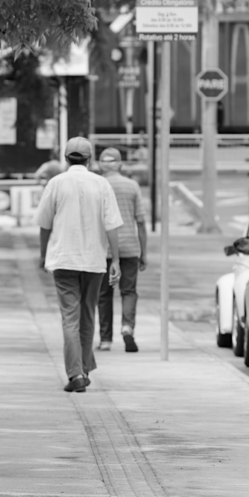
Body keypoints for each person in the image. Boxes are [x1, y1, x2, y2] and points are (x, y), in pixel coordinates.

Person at [35, 136, 123, 393]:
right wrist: (115, 259)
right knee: (87, 315)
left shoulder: (56, 183)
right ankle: (83, 369)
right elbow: (112, 225)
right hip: (94, 261)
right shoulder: (102, 184)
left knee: (70, 318)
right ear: (90, 158)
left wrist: (43, 255)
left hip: (64, 260)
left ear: (65, 158)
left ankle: (76, 375)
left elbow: (45, 224)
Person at [95, 148, 147, 353]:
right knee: (128, 291)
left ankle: (105, 339)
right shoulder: (132, 186)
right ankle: (127, 327)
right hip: (130, 248)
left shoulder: (97, 186)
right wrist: (144, 252)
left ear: (100, 165)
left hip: (103, 248)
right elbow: (141, 221)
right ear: (120, 165)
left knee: (103, 294)